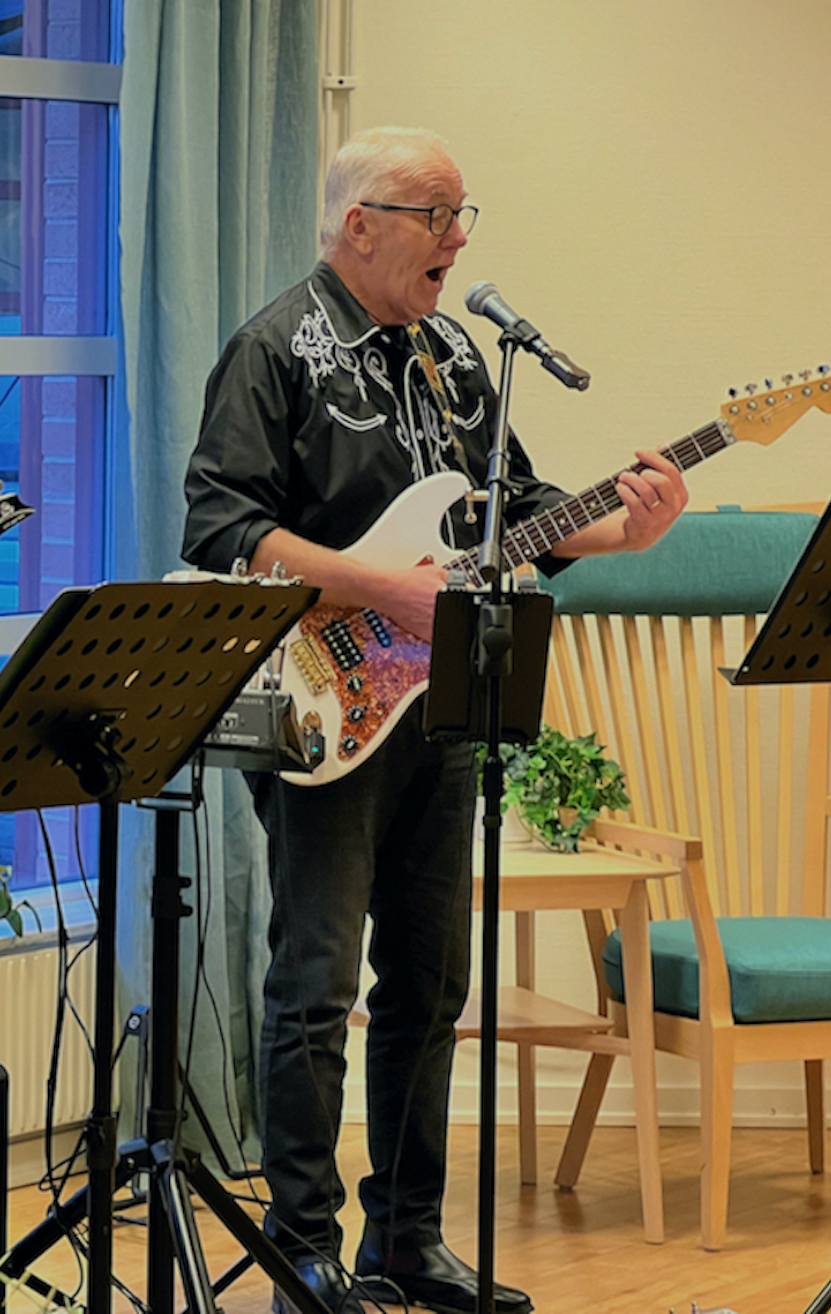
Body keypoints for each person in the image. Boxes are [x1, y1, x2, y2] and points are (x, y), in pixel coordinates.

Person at [182, 127, 685, 1314]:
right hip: (318, 701)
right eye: (437, 214)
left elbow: (520, 511)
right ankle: (303, 1247)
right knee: (316, 985)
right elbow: (218, 527)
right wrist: (378, 586)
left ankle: (406, 1240)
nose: (458, 237)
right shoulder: (273, 348)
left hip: (442, 698)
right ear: (359, 226)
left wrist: (628, 527)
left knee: (431, 982)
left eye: (465, 215)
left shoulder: (455, 352)